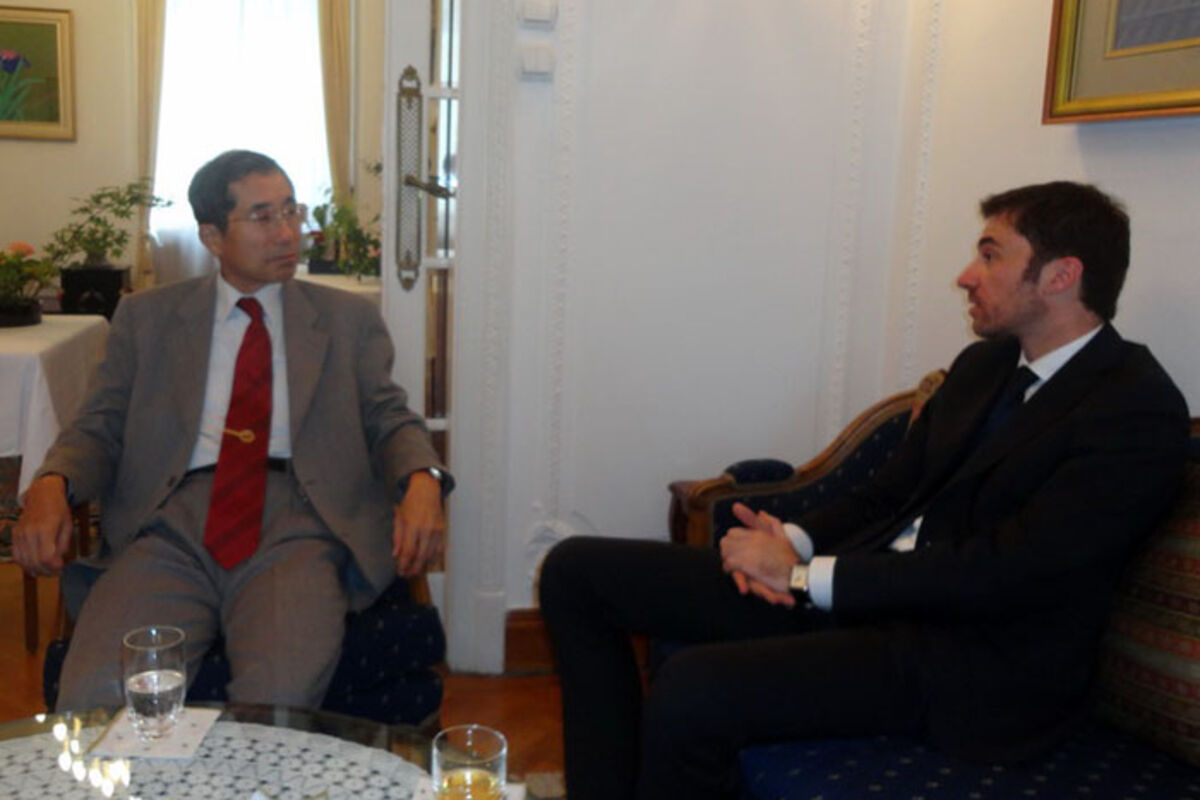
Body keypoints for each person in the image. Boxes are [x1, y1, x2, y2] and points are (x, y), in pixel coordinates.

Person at [539, 181, 1189, 800]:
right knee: (578, 573)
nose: (966, 275)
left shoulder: (1132, 409)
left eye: (991, 255)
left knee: (694, 688)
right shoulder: (986, 364)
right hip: (866, 597)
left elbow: (1008, 572)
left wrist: (805, 578)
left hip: (971, 661)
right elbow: (887, 494)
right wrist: (791, 541)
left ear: (1061, 275)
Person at [13, 150, 452, 711]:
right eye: (263, 217)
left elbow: (389, 416)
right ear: (212, 236)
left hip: (300, 522)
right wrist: (52, 482)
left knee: (280, 696)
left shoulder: (348, 320)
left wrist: (423, 477)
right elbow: (99, 426)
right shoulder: (147, 319)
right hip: (170, 523)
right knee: (98, 693)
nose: (287, 232)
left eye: (291, 211)